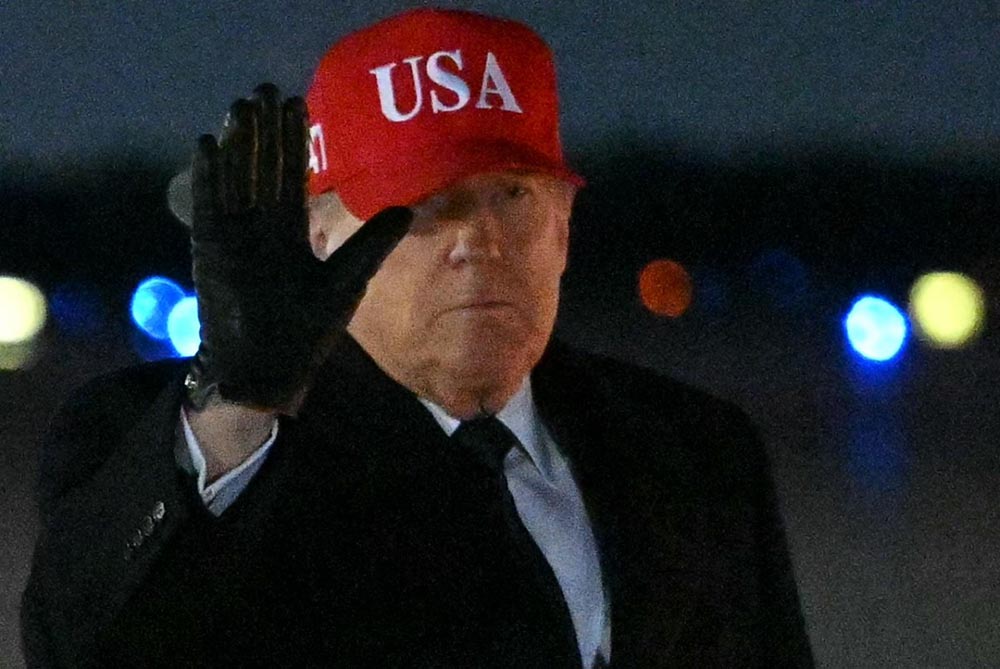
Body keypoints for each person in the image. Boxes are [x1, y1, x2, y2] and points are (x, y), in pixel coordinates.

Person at [21, 8, 814, 668]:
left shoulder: (697, 452)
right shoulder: (172, 450)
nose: (478, 239)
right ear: (318, 239)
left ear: (565, 230)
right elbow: (81, 643)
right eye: (422, 203)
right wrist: (239, 405)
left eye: (511, 195)